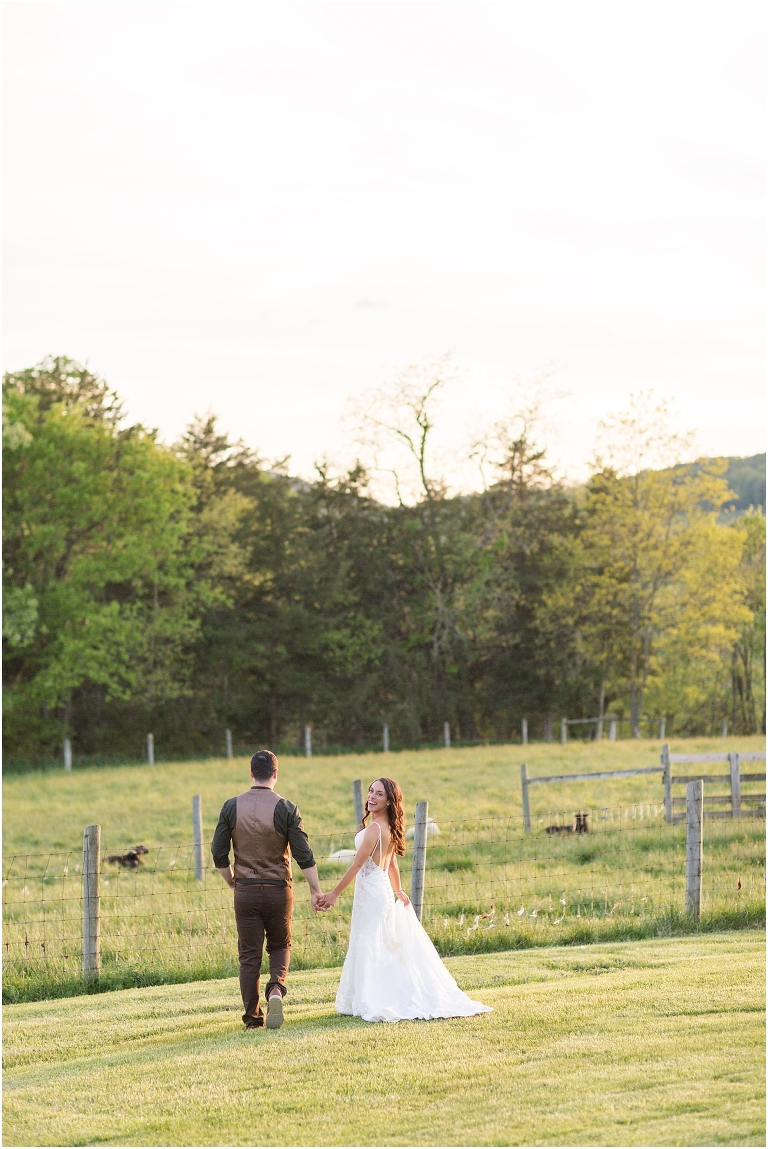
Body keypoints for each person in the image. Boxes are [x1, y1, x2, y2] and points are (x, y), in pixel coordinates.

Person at [316, 776, 491, 1023]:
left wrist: (333, 894)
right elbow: (392, 863)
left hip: (373, 892)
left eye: (378, 794)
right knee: (377, 941)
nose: (371, 797)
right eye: (370, 791)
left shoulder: (376, 829)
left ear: (388, 801)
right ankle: (365, 996)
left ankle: (374, 998)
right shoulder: (385, 827)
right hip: (380, 889)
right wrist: (398, 890)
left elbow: (357, 865)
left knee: (370, 941)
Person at [211, 749, 323, 1030]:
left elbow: (218, 853)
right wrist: (315, 890)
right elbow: (304, 854)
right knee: (280, 945)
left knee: (249, 956)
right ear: (275, 774)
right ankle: (275, 989)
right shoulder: (287, 808)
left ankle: (252, 1020)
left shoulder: (231, 806)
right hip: (278, 890)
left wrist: (231, 880)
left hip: (245, 891)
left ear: (251, 773)